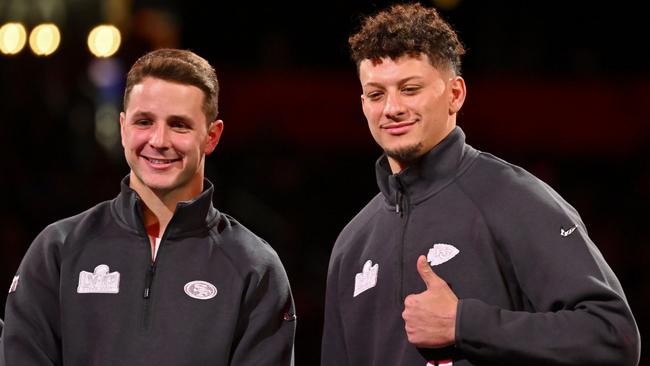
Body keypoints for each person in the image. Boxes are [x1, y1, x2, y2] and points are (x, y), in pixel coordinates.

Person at [321, 4, 640, 366]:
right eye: (376, 95)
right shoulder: (352, 244)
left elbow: (613, 336)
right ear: (363, 104)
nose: (391, 108)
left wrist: (464, 324)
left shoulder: (516, 200)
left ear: (455, 94)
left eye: (410, 89)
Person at [3, 49, 296, 365]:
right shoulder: (57, 251)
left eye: (179, 125)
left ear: (211, 136)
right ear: (123, 127)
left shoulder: (254, 267)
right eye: (144, 121)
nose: (159, 140)